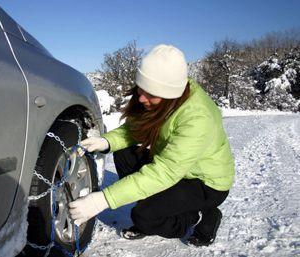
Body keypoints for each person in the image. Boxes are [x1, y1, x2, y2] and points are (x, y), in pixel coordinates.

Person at [69, 44, 235, 246]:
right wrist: (106, 141)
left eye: (150, 94)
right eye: (141, 89)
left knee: (144, 216)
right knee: (123, 153)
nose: (141, 98)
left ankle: (200, 214)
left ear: (169, 94)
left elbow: (164, 172)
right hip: (178, 170)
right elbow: (134, 131)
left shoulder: (197, 118)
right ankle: (156, 208)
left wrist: (101, 200)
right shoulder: (163, 97)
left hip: (204, 182)